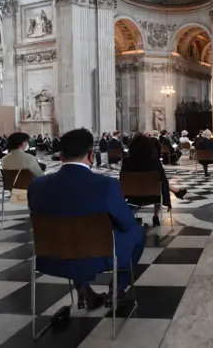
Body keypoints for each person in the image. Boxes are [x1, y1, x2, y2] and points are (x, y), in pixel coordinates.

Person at [28, 128, 145, 308]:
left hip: (50, 256)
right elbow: (126, 224)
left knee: (70, 234)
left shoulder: (36, 186)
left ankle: (84, 291)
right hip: (97, 256)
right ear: (91, 155)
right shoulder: (108, 185)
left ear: (61, 156)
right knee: (137, 233)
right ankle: (117, 289)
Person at [121, 135, 173, 227]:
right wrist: (167, 201)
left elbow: (122, 179)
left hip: (132, 195)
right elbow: (163, 180)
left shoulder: (127, 161)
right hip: (152, 195)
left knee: (133, 199)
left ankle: (131, 215)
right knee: (158, 186)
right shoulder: (155, 161)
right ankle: (156, 216)